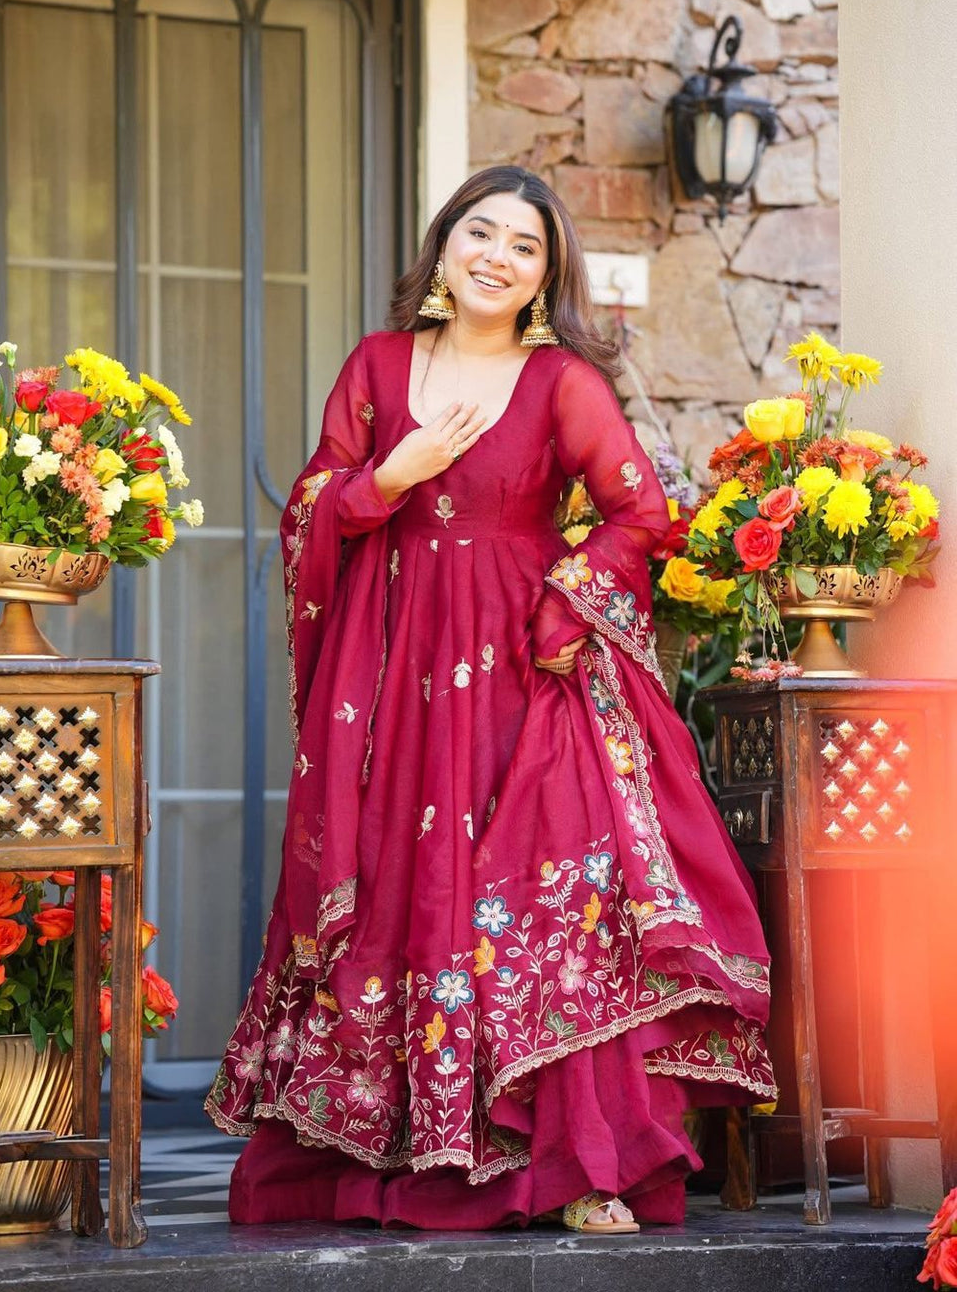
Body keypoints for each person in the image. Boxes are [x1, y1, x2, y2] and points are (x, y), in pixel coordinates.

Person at [206, 165, 774, 1233]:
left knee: (542, 890)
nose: (497, 256)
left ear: (544, 277)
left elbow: (639, 514)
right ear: (444, 244)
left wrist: (563, 612)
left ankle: (576, 1165)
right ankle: (398, 1150)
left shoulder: (562, 380)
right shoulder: (378, 366)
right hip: (388, 679)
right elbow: (313, 513)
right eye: (481, 232)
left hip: (520, 665)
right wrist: (393, 472)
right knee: (397, 886)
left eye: (525, 246)